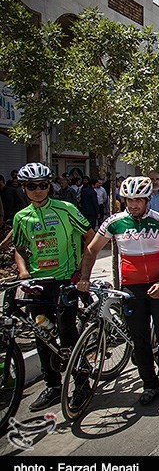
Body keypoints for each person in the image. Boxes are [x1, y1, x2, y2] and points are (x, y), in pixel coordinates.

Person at [78, 176, 159, 408]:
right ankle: (149, 383)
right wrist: (84, 277)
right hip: (131, 289)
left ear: (147, 200)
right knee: (139, 339)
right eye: (128, 200)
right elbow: (92, 250)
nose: (133, 204)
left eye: (138, 200)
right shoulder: (114, 222)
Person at [13, 163, 95, 411]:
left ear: (50, 186)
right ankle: (53, 386)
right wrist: (24, 272)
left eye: (43, 185)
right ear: (24, 188)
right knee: (43, 335)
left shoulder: (66, 209)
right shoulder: (21, 217)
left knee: (67, 332)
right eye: (32, 186)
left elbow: (90, 238)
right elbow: (19, 248)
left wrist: (82, 271)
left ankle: (82, 385)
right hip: (38, 285)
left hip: (65, 282)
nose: (38, 191)